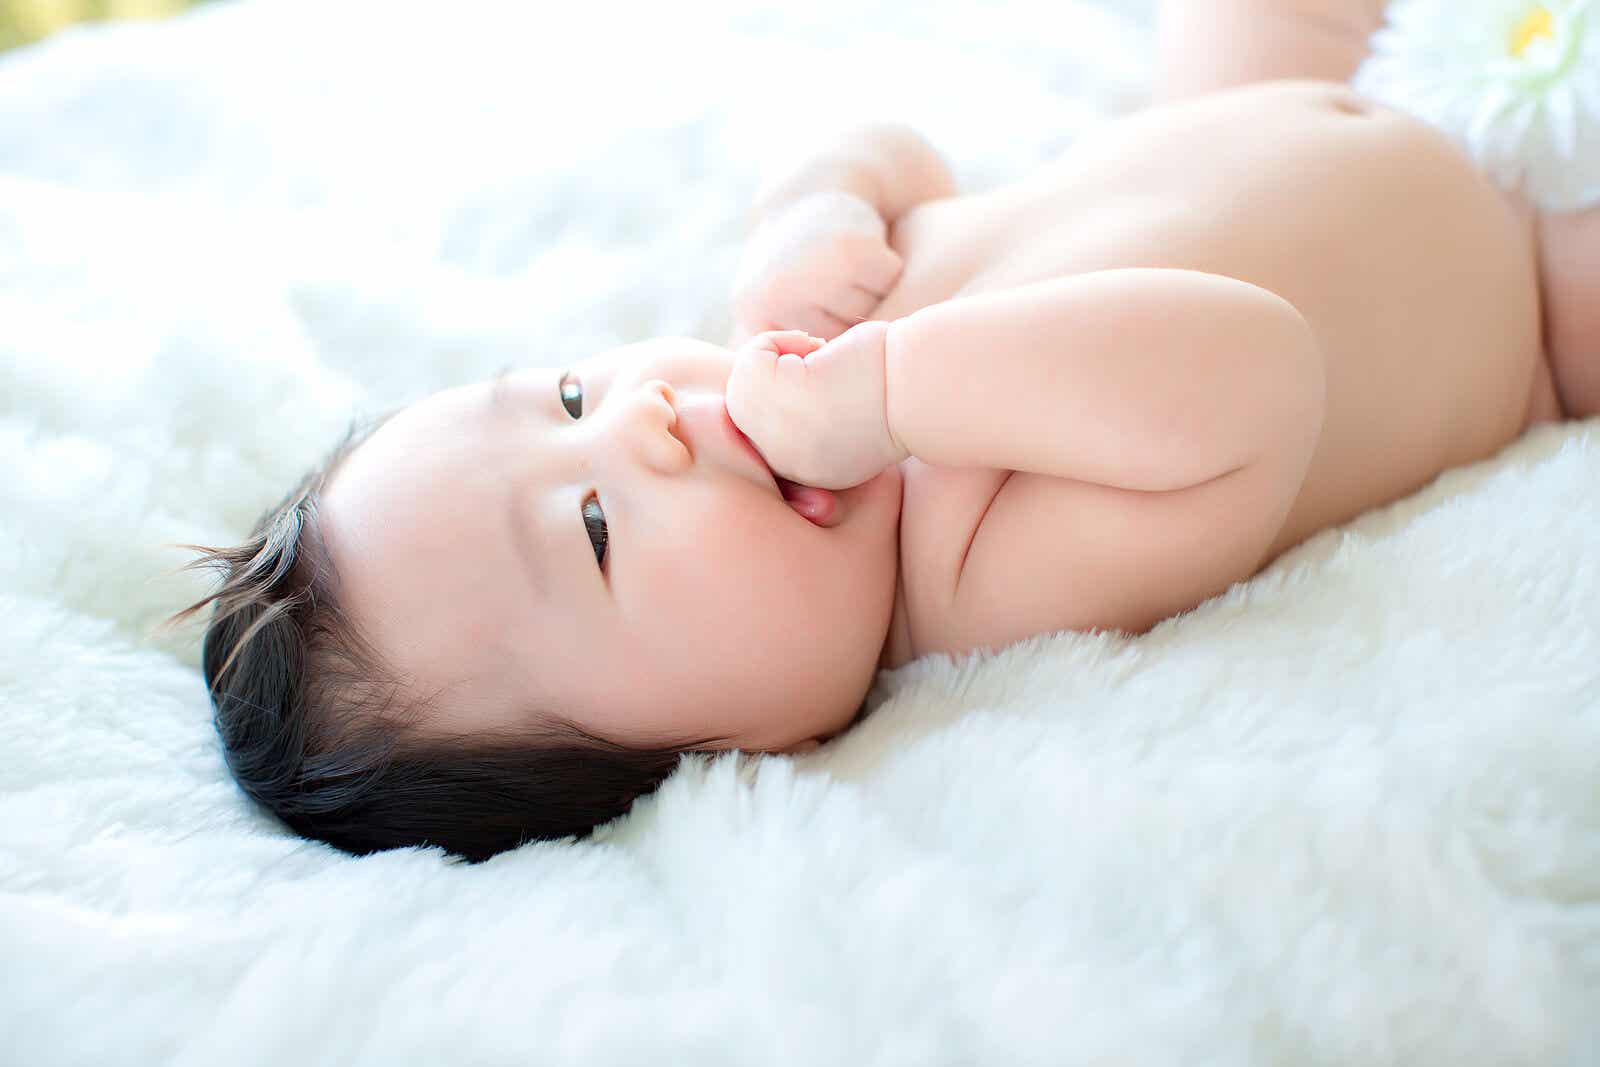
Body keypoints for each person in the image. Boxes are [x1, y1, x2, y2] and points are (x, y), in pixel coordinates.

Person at [170, 0, 1596, 863]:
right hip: (1526, 288)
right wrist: (893, 391)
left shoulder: (815, 333)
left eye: (567, 398)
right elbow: (1254, 374)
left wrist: (818, 211)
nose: (648, 423)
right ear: (713, 757)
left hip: (1253, 108)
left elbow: (905, 159)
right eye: (596, 530)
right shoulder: (981, 572)